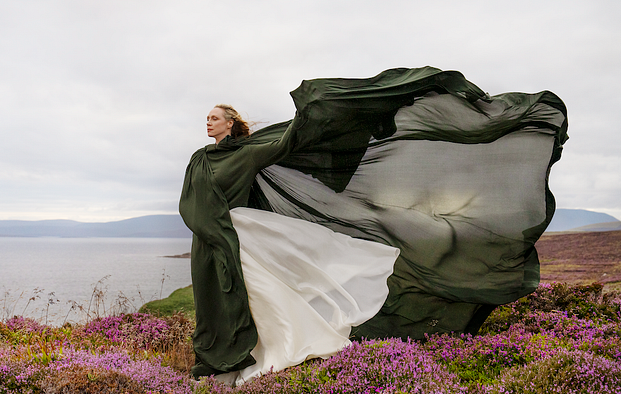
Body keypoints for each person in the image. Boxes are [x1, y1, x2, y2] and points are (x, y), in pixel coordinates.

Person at [179, 67, 568, 384]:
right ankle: (222, 361)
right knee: (220, 298)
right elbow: (190, 201)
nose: (208, 122)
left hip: (240, 235)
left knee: (260, 297)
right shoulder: (200, 159)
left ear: (231, 124)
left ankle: (254, 355)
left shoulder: (247, 153)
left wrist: (318, 114)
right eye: (207, 118)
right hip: (211, 238)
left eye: (214, 118)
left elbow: (284, 147)